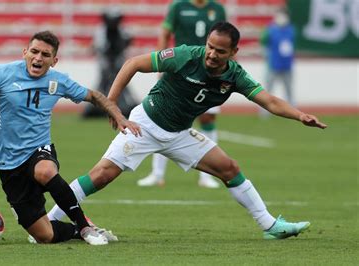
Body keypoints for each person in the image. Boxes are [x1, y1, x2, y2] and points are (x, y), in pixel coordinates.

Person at [48, 22, 327, 240]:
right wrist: (112, 106)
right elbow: (133, 64)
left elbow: (269, 100)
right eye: (210, 47)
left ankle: (270, 225)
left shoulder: (235, 76)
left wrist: (300, 115)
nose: (212, 54)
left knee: (229, 168)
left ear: (233, 53)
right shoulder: (185, 56)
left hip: (180, 134)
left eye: (220, 51)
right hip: (144, 125)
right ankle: (50, 221)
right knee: (101, 175)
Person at [0, 31, 140, 245]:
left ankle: (84, 227)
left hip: (39, 149)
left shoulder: (58, 81)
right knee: (43, 236)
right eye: (34, 52)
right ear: (25, 52)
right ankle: (78, 230)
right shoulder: (2, 74)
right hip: (8, 163)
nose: (38, 58)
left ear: (54, 61)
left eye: (45, 55)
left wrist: (120, 116)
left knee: (45, 170)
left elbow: (94, 96)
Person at [137, 0, 226, 188]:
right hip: (181, 68)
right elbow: (165, 32)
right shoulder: (178, 6)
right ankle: (157, 173)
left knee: (208, 118)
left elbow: (227, 39)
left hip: (209, 71)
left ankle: (206, 176)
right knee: (165, 117)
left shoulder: (217, 9)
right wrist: (162, 61)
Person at [83, 8, 138, 118]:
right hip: (105, 62)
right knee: (104, 84)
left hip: (118, 61)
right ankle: (97, 107)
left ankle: (124, 106)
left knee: (121, 84)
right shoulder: (102, 31)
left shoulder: (121, 30)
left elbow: (127, 42)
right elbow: (98, 47)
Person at [259, 8, 296, 117]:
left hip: (287, 64)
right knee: (268, 90)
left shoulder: (291, 30)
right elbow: (263, 42)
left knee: (289, 89)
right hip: (273, 64)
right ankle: (264, 112)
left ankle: (292, 111)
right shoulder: (270, 29)